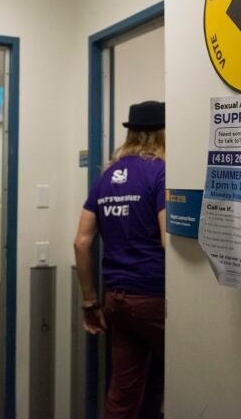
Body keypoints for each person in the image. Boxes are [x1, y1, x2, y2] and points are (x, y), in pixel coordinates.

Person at [73, 100, 166, 419]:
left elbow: (81, 242)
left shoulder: (107, 177)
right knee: (192, 375)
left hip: (117, 301)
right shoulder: (162, 172)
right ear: (162, 133)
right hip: (155, 298)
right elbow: (169, 241)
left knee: (124, 394)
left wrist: (90, 302)